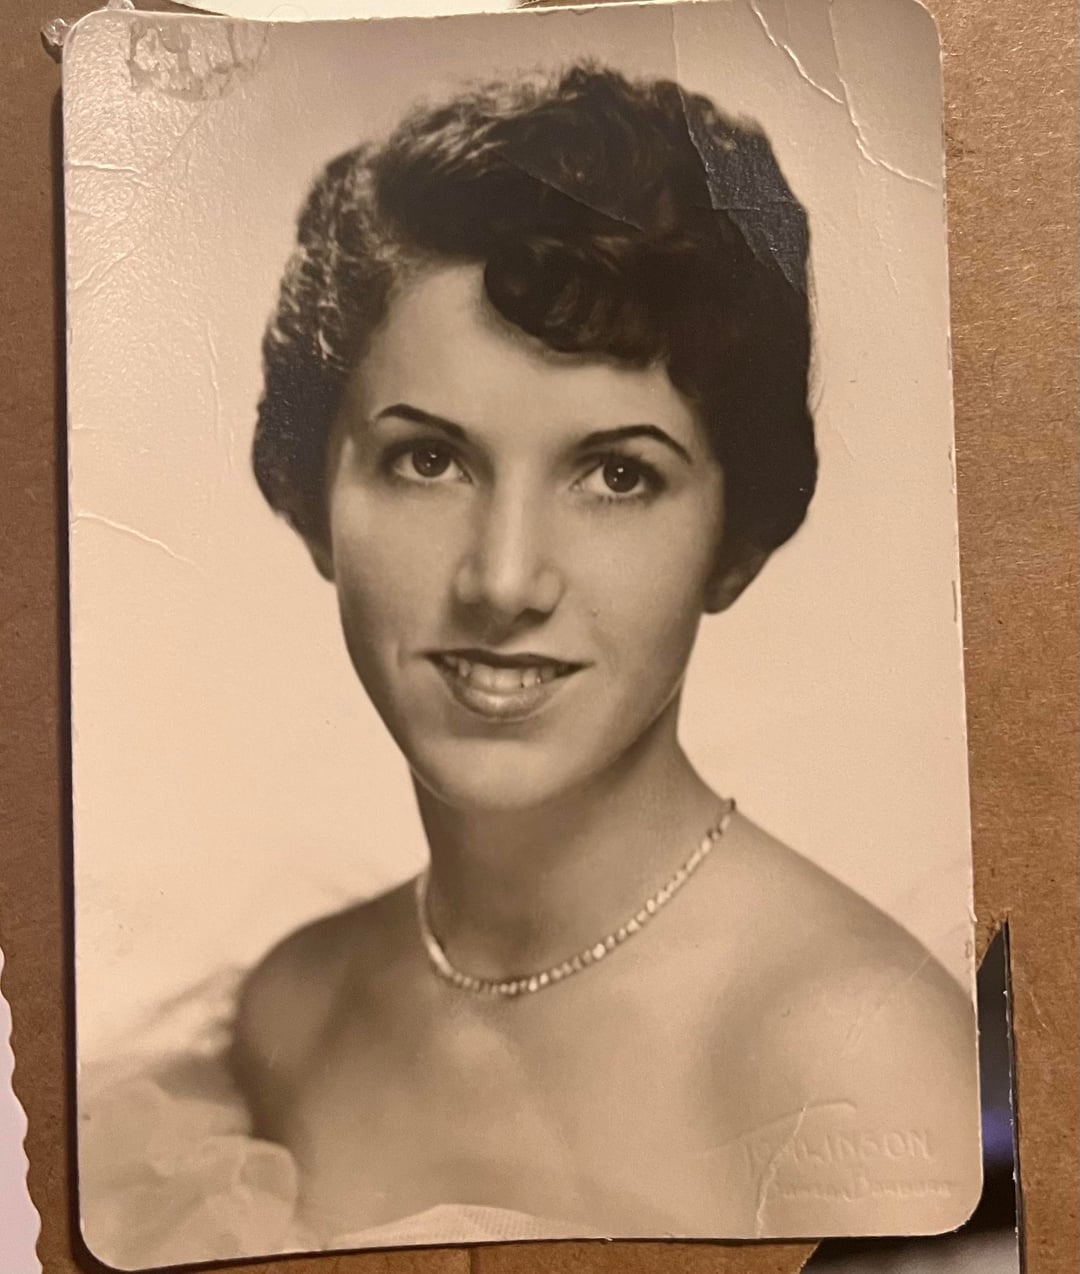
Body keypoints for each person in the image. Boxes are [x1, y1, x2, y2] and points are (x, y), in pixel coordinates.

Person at [80, 63, 981, 1267]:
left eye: (617, 474)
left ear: (735, 537)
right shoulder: (288, 1012)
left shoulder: (854, 1064)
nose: (504, 580)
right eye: (428, 460)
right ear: (312, 494)